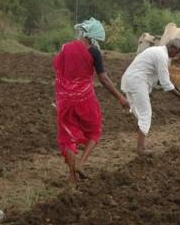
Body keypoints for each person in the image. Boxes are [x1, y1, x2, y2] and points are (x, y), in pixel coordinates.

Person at [53, 18, 129, 183]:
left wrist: (64, 92)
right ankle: (81, 163)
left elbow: (58, 70)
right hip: (85, 99)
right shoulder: (93, 51)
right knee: (94, 131)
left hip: (65, 99)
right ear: (92, 36)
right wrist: (120, 97)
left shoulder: (65, 48)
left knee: (67, 136)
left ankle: (72, 177)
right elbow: (104, 79)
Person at [121, 38, 180, 155]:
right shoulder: (162, 56)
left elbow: (159, 78)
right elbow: (165, 83)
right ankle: (140, 149)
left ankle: (140, 142)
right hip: (137, 81)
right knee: (146, 114)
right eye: (177, 53)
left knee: (140, 113)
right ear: (173, 48)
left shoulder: (157, 51)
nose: (176, 56)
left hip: (131, 80)